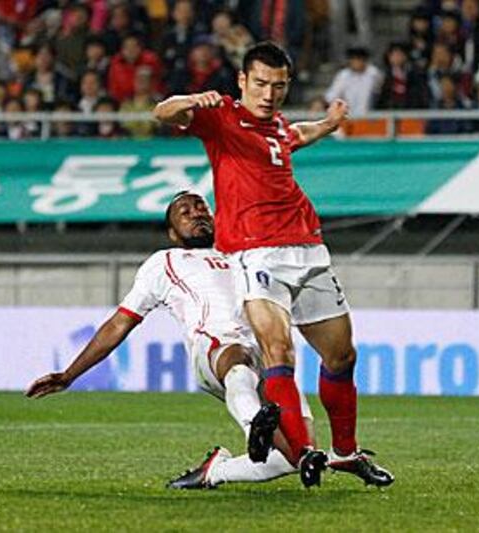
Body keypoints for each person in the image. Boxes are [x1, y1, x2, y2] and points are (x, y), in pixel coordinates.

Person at [153, 42, 394, 489]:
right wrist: (191, 100)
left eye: (278, 86)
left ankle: (344, 453)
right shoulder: (221, 116)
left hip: (308, 247)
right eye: (260, 84)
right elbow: (163, 112)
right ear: (242, 81)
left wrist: (328, 124)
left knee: (341, 355)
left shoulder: (278, 127)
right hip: (255, 253)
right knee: (278, 352)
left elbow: (295, 134)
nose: (268, 94)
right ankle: (302, 454)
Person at [26, 192, 313, 489]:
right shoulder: (164, 262)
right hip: (215, 349)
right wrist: (69, 375)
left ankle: (214, 472)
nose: (197, 213)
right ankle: (253, 426)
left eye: (202, 207)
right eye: (185, 212)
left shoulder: (245, 255)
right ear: (173, 233)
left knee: (299, 454)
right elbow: (120, 322)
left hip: (270, 357)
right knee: (237, 358)